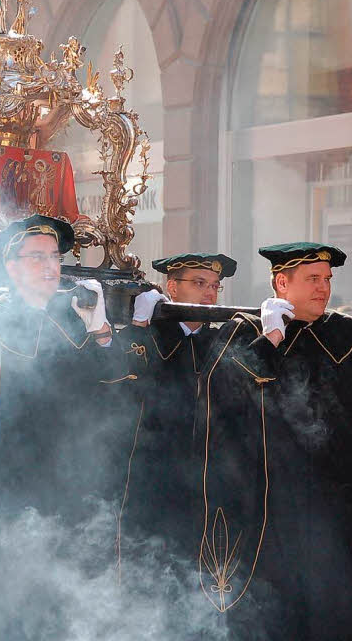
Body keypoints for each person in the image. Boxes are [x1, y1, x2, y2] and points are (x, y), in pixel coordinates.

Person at [191, 242, 352, 640]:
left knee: (336, 619)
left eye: (327, 279)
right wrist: (270, 336)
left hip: (338, 511)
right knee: (272, 621)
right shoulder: (243, 330)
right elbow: (220, 396)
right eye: (312, 279)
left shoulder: (345, 333)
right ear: (281, 282)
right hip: (266, 517)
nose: (324, 288)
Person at [0, 215, 133, 639]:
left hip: (67, 488)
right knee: (4, 607)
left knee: (61, 608)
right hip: (1, 487)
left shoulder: (74, 320)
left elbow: (116, 389)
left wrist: (100, 330)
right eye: (37, 257)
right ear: (11, 266)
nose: (50, 266)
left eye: (55, 257)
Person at [117, 252, 237, 627]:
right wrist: (141, 327)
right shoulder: (145, 336)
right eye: (198, 284)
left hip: (209, 480)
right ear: (172, 288)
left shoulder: (225, 340)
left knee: (206, 587)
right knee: (152, 579)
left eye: (214, 286)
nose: (209, 294)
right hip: (153, 479)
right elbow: (121, 383)